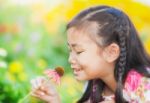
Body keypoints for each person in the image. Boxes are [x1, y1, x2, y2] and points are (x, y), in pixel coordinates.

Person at [31, 5, 150, 103]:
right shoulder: (95, 87)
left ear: (111, 52)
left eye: (79, 51)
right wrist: (54, 100)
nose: (70, 59)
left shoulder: (145, 88)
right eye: (70, 51)